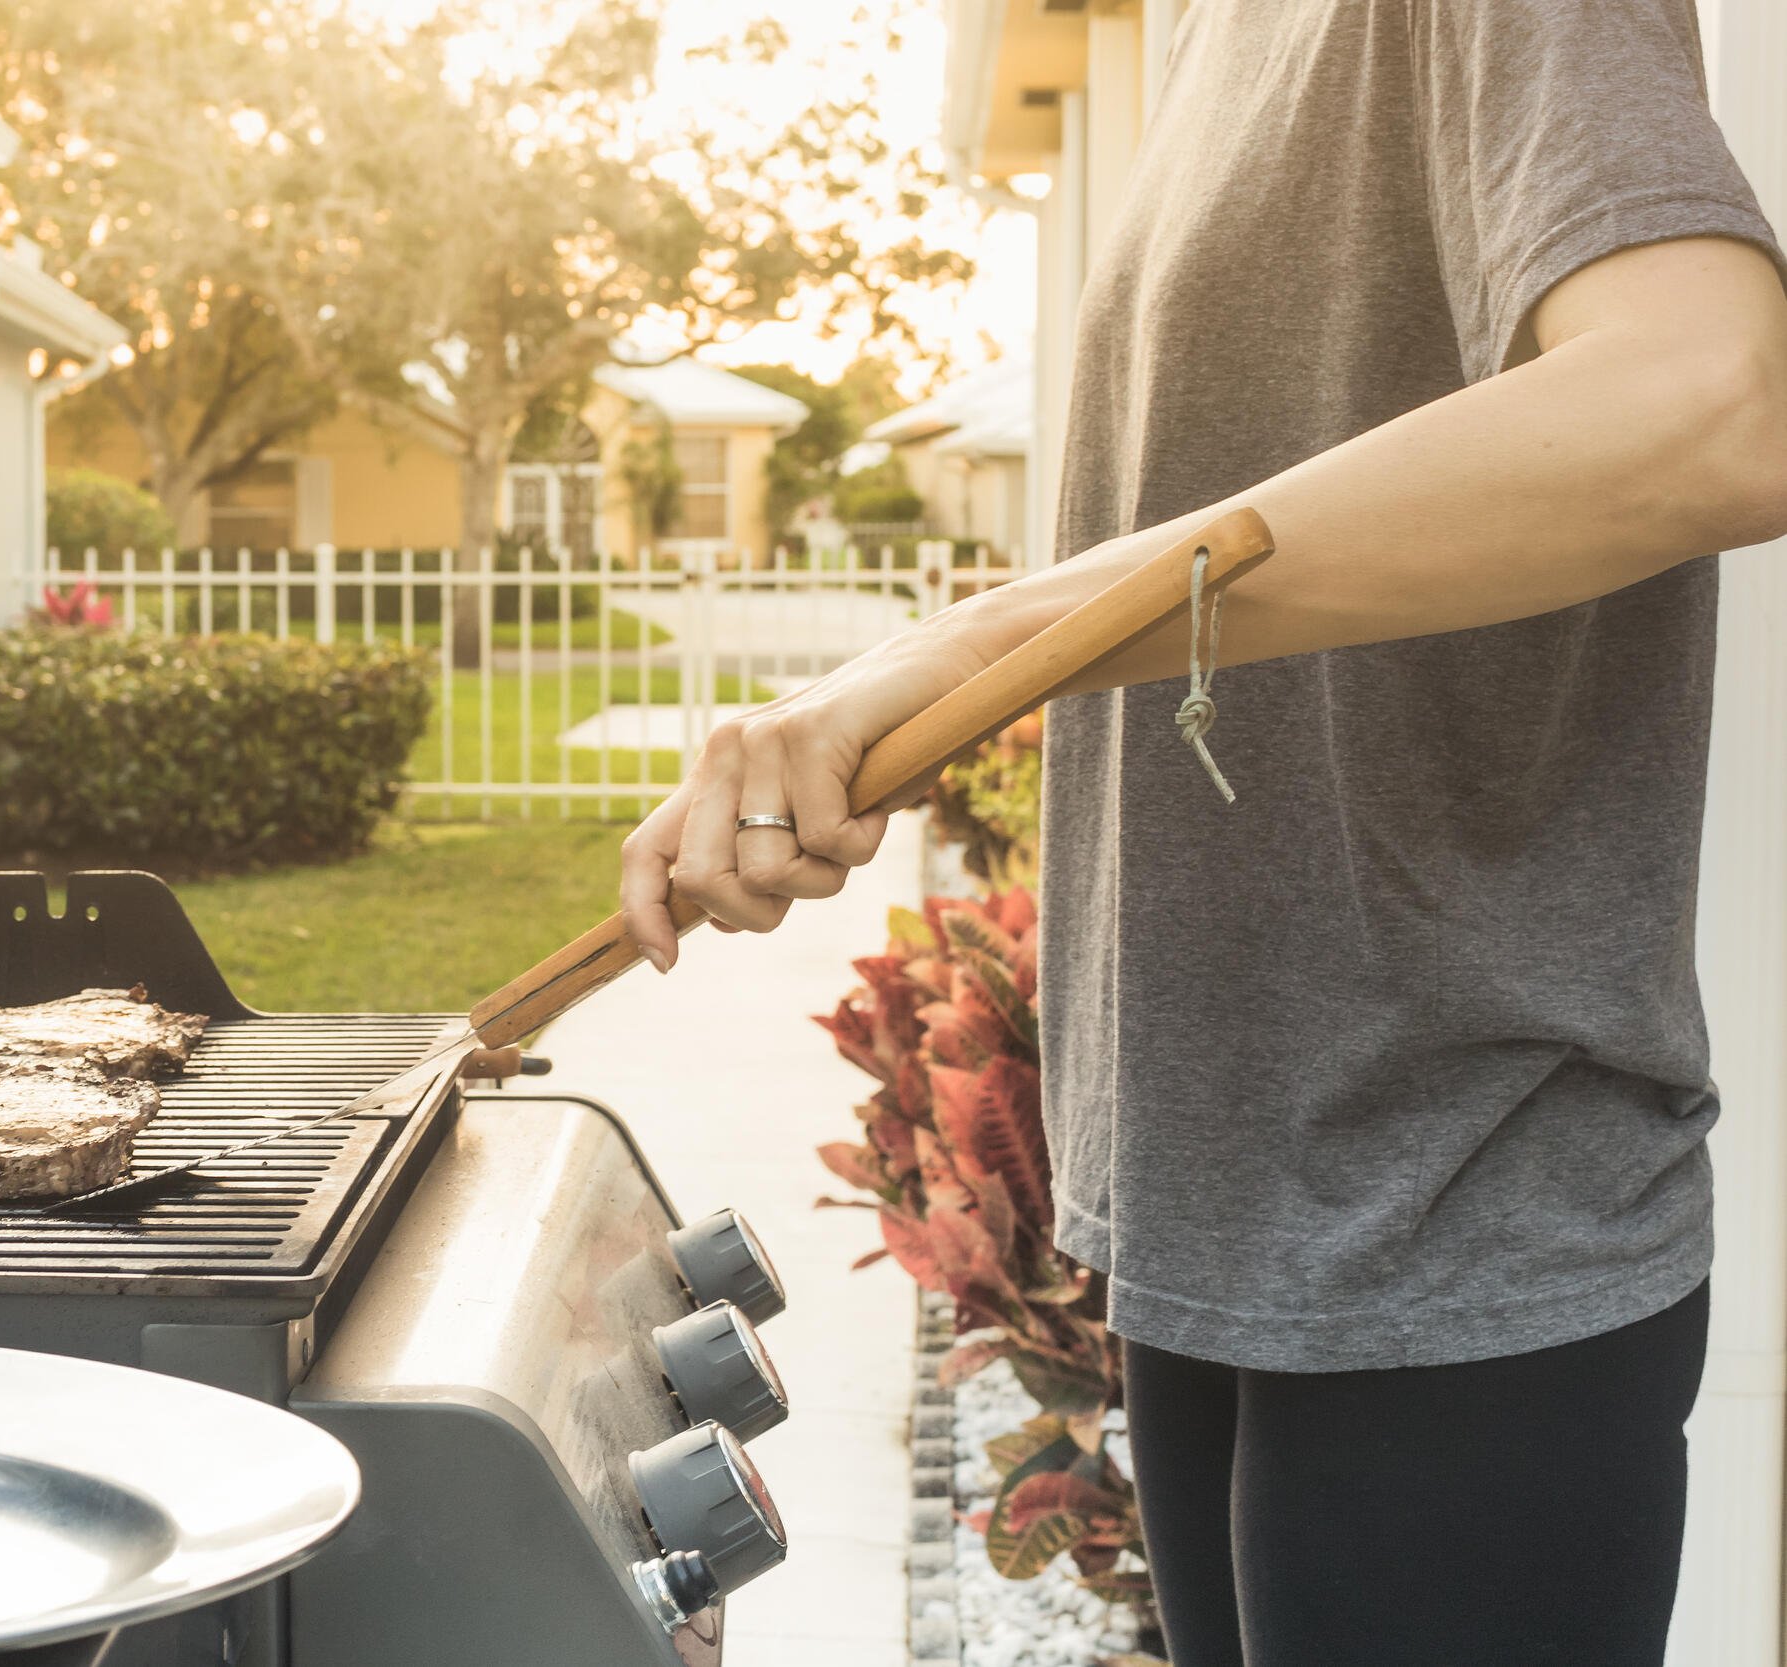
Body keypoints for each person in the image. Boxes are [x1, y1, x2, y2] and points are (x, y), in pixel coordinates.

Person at [616, 2, 1787, 1662]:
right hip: (1221, 1202)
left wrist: (959, 646)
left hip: (1442, 1213)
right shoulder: (1215, 35)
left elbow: (1707, 399)